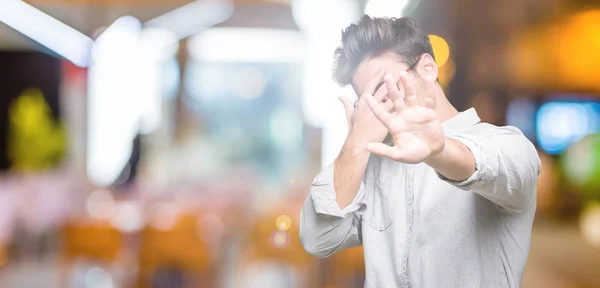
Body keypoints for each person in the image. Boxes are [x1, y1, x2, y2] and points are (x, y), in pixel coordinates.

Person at [299, 16, 540, 288]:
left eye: (382, 88)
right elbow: (317, 239)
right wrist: (355, 144)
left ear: (427, 68)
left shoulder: (506, 144)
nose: (378, 107)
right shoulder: (371, 166)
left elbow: (504, 167)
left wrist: (438, 151)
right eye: (365, 101)